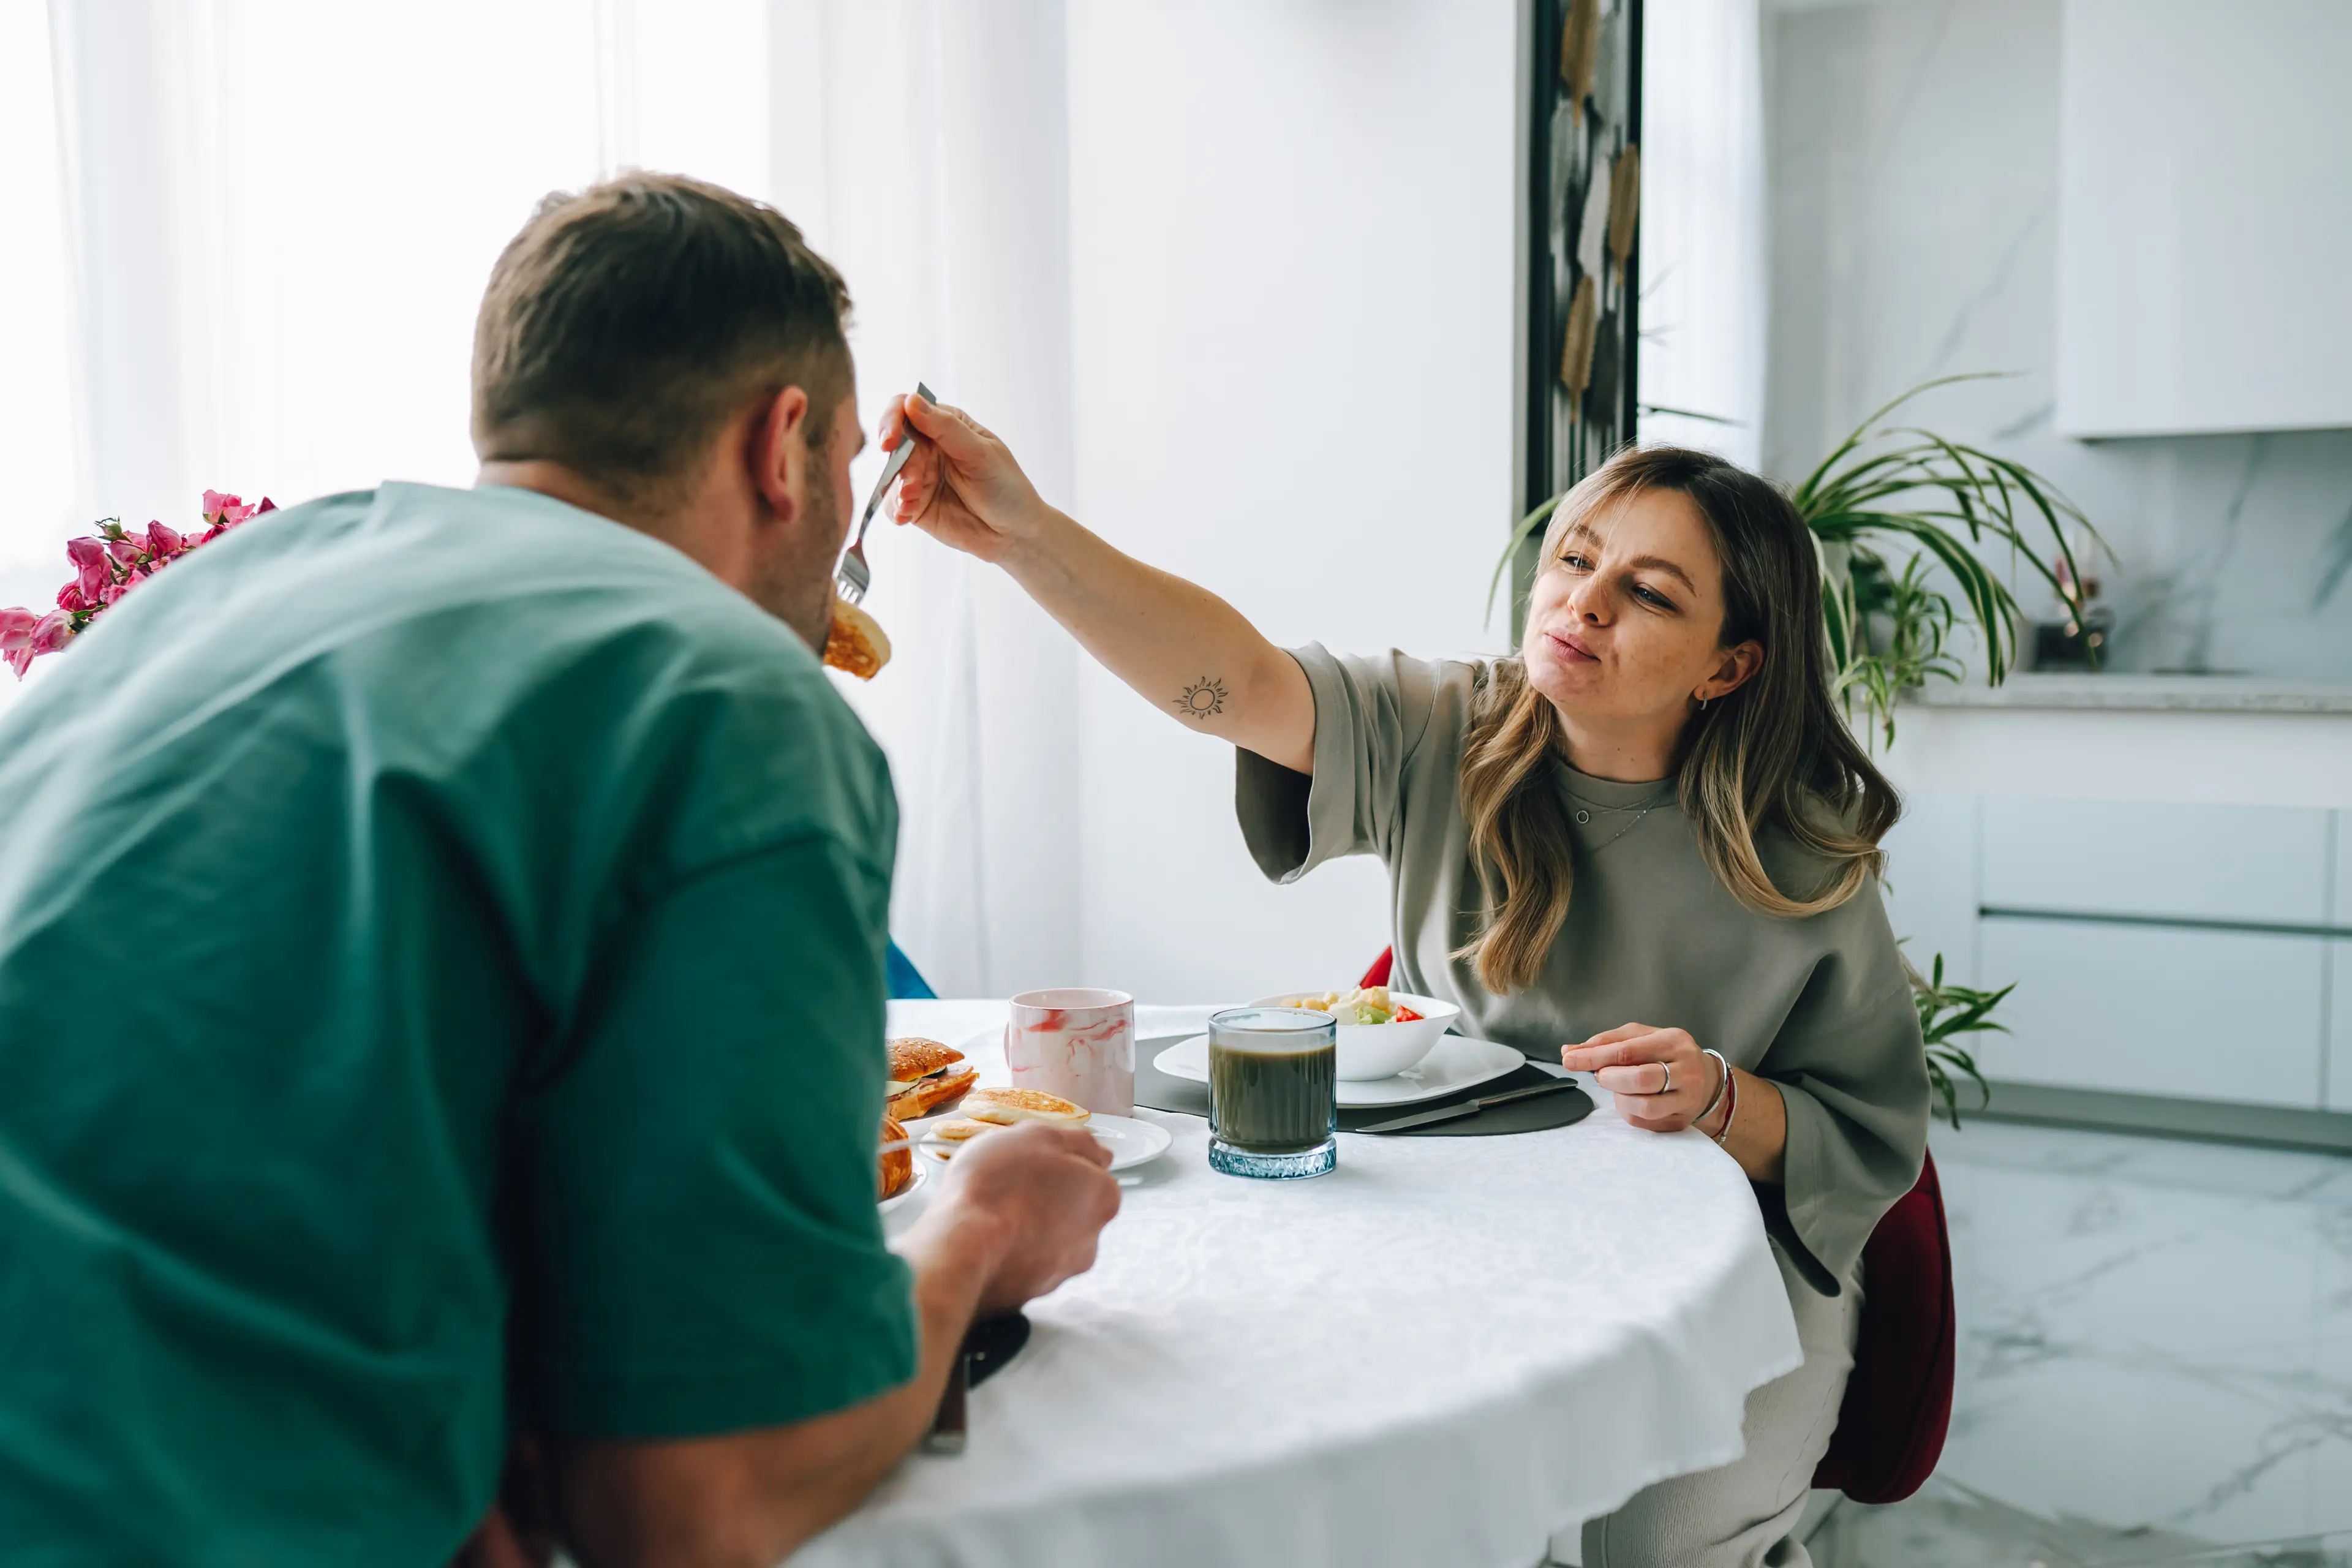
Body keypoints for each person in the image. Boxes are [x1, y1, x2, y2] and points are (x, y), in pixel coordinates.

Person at [0, 173, 1120, 1568]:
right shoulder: (727, 697)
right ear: (784, 447)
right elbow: (688, 1505)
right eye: (847, 472)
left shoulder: (205, 599)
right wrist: (980, 1230)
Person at [877, 398, 1931, 1568]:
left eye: (1650, 593)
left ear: (1732, 664)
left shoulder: (1802, 851)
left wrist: (1722, 1097)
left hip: (1725, 1271)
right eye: (1576, 559)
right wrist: (1026, 535)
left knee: (1649, 1538)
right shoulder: (1449, 726)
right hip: (1464, 1226)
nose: (1583, 600)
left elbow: (1864, 1126)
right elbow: (1227, 679)